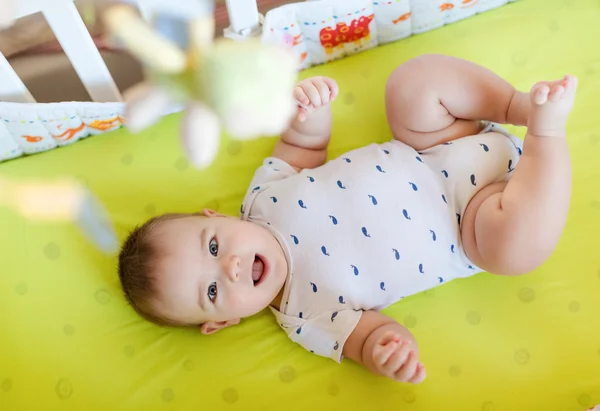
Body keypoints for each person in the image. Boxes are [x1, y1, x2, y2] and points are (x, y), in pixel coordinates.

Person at [118, 54, 577, 384]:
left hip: (437, 144)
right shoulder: (304, 316)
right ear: (220, 323)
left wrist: (309, 113)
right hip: (477, 220)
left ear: (213, 215)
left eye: (214, 247)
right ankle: (545, 133)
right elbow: (367, 336)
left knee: (413, 83)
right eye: (213, 290)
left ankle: (519, 105)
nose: (231, 267)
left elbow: (304, 147)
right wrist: (385, 351)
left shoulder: (261, 198)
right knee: (514, 250)